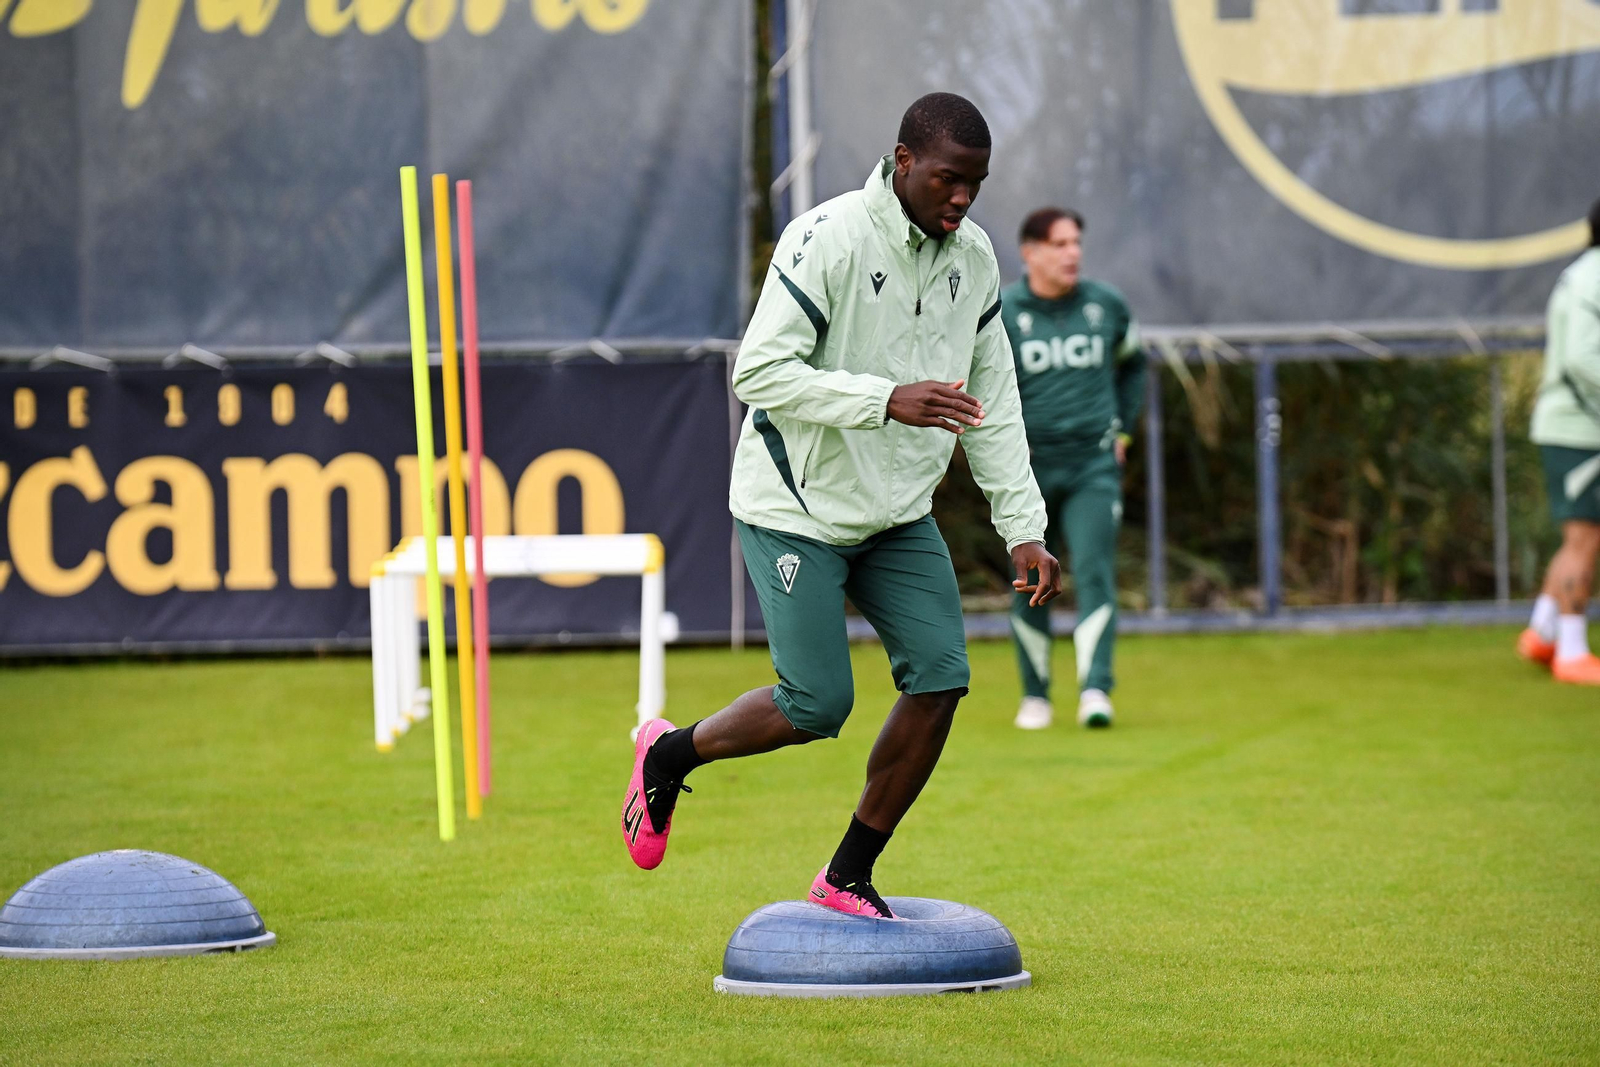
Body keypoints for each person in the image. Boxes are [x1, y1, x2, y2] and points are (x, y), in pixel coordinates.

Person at [619, 93, 1060, 917]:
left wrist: (1024, 527)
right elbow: (757, 372)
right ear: (902, 163)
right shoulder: (828, 239)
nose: (961, 199)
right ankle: (668, 756)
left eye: (976, 184)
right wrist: (884, 398)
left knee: (941, 679)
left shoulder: (977, 260)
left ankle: (847, 873)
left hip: (896, 514)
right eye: (946, 179)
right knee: (817, 704)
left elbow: (991, 398)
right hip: (796, 506)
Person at [1001, 208, 1145, 729]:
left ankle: (1095, 692)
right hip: (1027, 471)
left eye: (1076, 243)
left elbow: (1134, 365)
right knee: (1029, 580)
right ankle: (1035, 696)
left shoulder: (1106, 306)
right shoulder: (1002, 311)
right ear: (1031, 252)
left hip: (1092, 466)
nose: (1072, 254)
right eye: (1059, 244)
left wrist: (1123, 431)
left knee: (1097, 573)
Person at [1517, 196, 1600, 686]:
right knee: (1583, 537)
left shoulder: (1586, 271)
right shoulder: (1595, 274)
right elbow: (1583, 359)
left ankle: (1541, 633)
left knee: (1585, 534)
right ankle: (1570, 653)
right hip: (1577, 429)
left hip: (1576, 426)